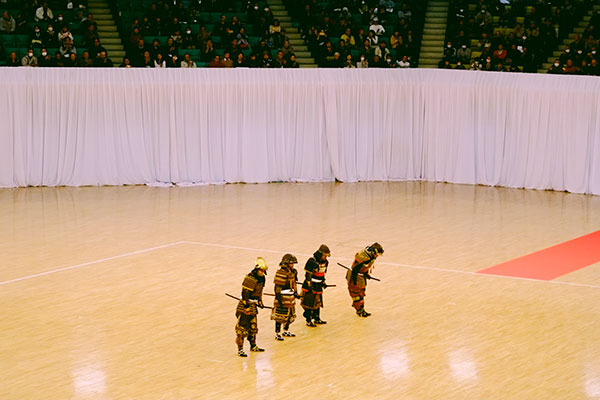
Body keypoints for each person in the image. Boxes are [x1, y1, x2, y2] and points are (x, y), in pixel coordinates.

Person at [235, 257, 268, 357]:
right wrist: (246, 306)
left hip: (253, 305)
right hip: (245, 305)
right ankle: (240, 349)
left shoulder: (262, 278)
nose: (262, 272)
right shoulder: (250, 278)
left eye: (263, 271)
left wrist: (260, 301)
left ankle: (253, 346)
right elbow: (245, 293)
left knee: (253, 327)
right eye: (261, 270)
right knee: (242, 328)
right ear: (257, 269)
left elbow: (260, 291)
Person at [347, 242, 383, 317]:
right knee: (356, 294)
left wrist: (366, 274)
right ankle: (359, 310)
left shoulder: (370, 257)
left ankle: (361, 309)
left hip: (360, 276)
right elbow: (355, 269)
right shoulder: (364, 257)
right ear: (373, 252)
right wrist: (354, 281)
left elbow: (363, 268)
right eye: (377, 254)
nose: (377, 256)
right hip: (354, 276)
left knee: (361, 293)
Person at [271, 254, 300, 341]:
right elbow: (277, 288)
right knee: (280, 316)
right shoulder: (281, 273)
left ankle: (285, 330)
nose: (292, 265)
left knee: (290, 315)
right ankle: (277, 333)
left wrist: (296, 293)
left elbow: (293, 284)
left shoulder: (293, 272)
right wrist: (279, 299)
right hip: (282, 298)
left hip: (290, 298)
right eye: (291, 263)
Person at [301, 244, 330, 327]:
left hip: (318, 285)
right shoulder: (311, 261)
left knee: (318, 303)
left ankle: (317, 318)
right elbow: (308, 275)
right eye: (324, 255)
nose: (325, 257)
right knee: (309, 304)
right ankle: (308, 320)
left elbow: (322, 274)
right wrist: (309, 285)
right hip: (311, 285)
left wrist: (323, 282)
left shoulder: (326, 263)